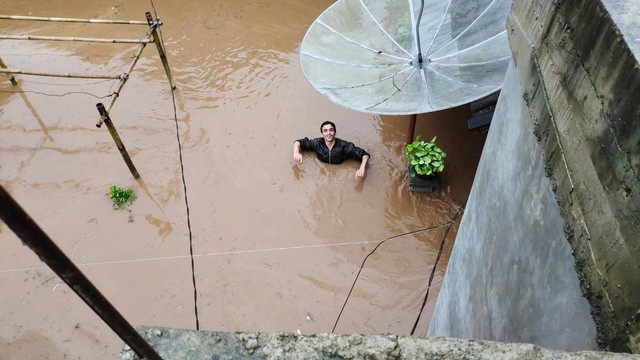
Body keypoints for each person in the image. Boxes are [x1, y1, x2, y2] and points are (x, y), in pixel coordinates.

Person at [293, 121, 370, 179]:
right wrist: (296, 152)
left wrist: (362, 168)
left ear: (335, 133)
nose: (328, 133)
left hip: (339, 174)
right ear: (322, 134)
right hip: (323, 173)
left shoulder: (344, 146)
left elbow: (365, 155)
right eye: (325, 131)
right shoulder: (317, 143)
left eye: (331, 130)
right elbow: (298, 142)